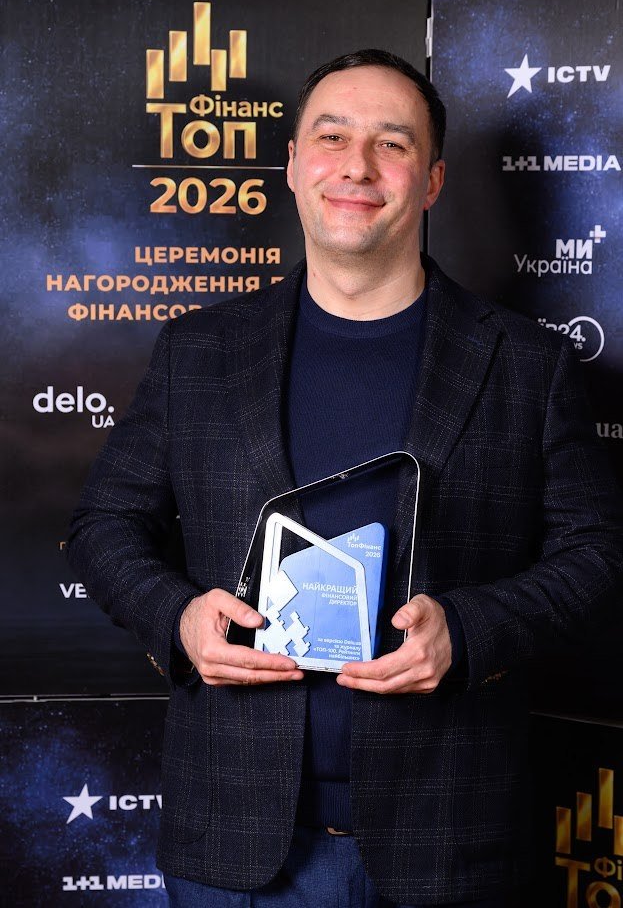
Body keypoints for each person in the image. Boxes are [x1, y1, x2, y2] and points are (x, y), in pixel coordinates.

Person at [67, 49, 623, 907]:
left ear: (431, 181)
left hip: (450, 846)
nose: (357, 166)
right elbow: (103, 526)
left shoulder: (527, 364)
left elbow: (597, 551)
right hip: (233, 848)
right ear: (293, 164)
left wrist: (467, 632)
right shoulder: (197, 351)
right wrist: (177, 618)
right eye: (332, 137)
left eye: (391, 143)